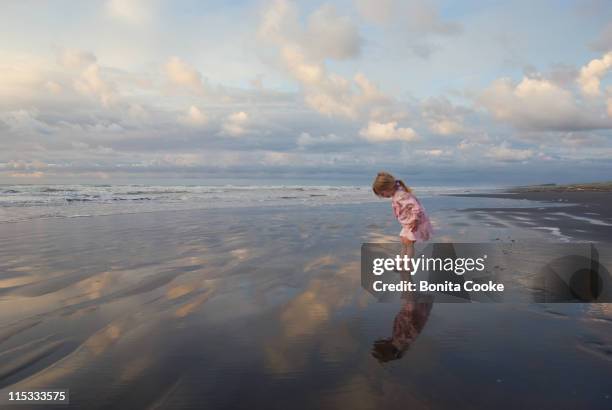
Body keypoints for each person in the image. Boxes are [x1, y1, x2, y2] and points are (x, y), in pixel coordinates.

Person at [372, 171, 434, 270]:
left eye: (382, 193)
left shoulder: (401, 195)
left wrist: (414, 221)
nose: (383, 196)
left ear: (388, 187)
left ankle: (407, 266)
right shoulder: (397, 194)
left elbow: (417, 208)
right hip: (408, 223)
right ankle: (400, 263)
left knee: (409, 244)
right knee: (404, 242)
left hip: (415, 223)